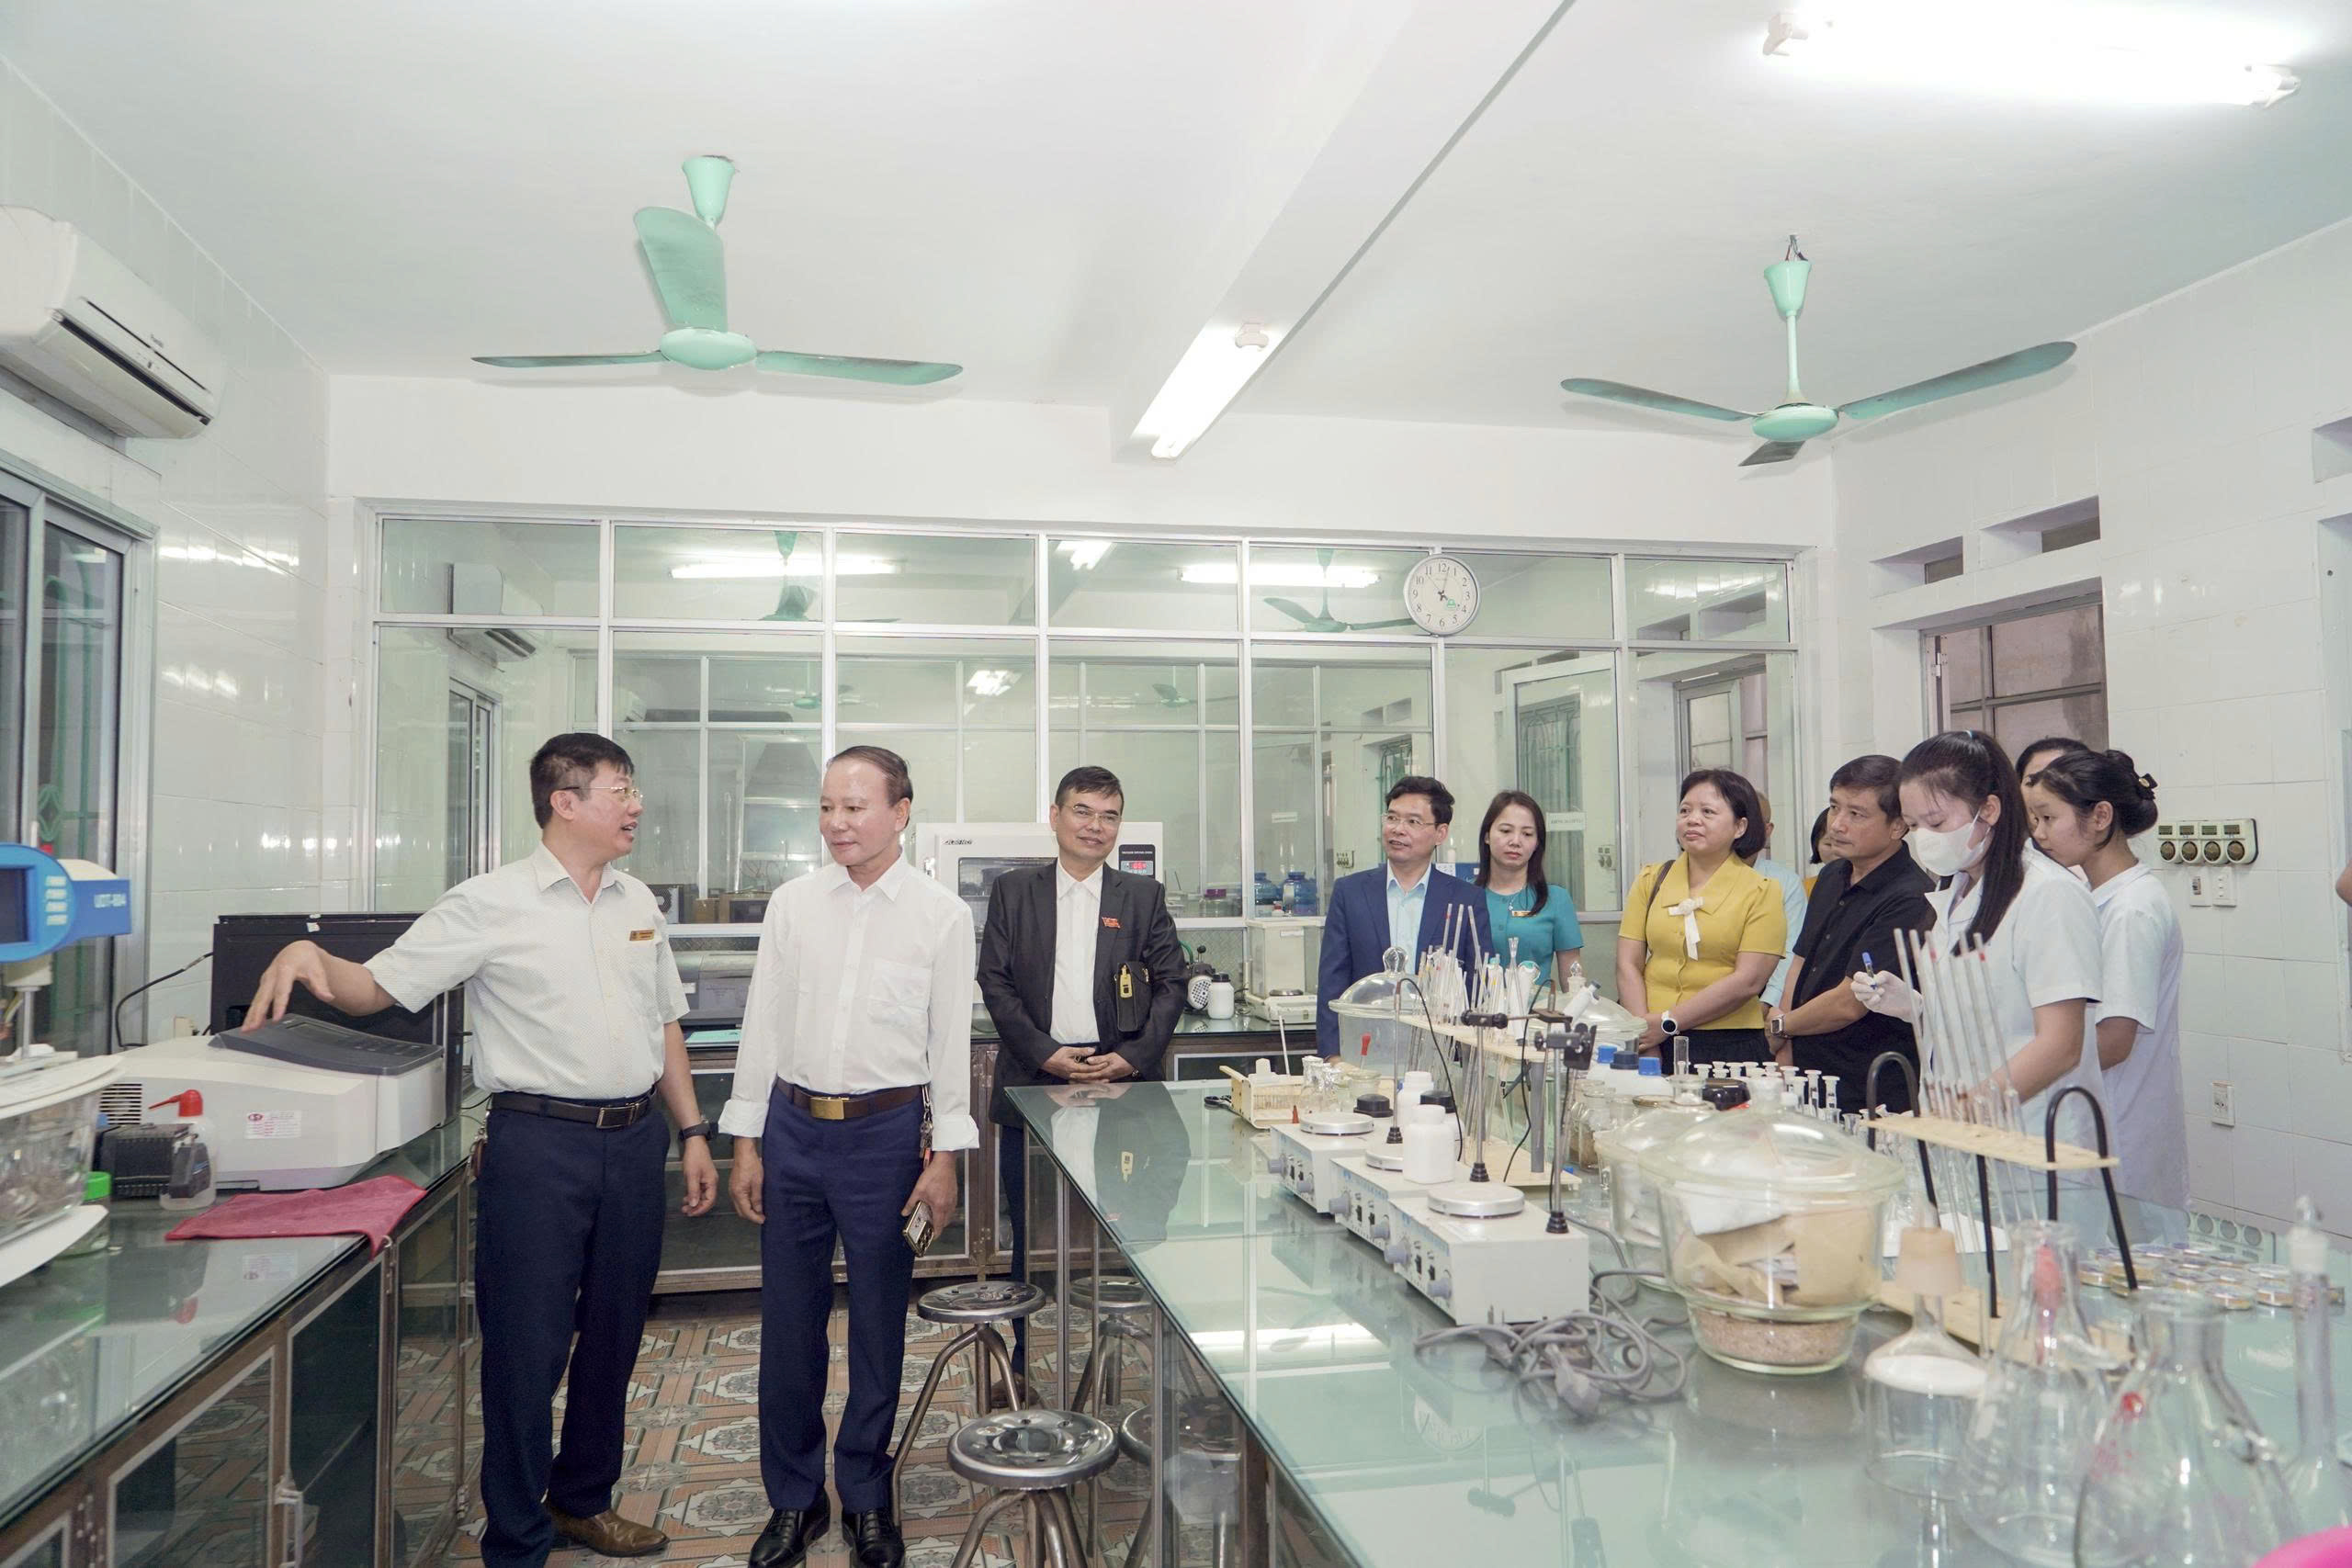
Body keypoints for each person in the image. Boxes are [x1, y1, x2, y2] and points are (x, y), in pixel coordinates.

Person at [242, 733, 717, 1568]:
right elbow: (378, 988)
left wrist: (693, 1132)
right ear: (564, 801)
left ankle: (582, 1501)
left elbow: (664, 1023)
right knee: (528, 1347)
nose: (636, 804)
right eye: (620, 789)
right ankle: (518, 1535)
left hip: (635, 1141)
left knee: (615, 1332)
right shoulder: (488, 902)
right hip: (540, 1146)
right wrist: (309, 954)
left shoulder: (637, 900)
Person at [724, 747, 976, 1568]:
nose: (836, 822)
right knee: (788, 1327)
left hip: (887, 1138)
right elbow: (762, 1025)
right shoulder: (794, 905)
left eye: (855, 807)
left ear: (901, 811)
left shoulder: (941, 916)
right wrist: (747, 1141)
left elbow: (948, 1047)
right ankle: (795, 1499)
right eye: (827, 806)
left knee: (877, 1325)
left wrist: (944, 1159)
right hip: (793, 1131)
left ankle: (867, 1493)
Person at [976, 765, 1182, 1369]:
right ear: (1056, 816)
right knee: (1029, 1232)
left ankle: (1122, 1361)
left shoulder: (1142, 897)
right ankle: (1020, 1361)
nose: (1096, 826)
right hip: (1035, 1080)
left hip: (1120, 1085)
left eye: (1109, 815)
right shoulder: (1015, 891)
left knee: (1128, 1223)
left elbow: (1172, 983)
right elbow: (995, 980)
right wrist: (1043, 1052)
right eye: (1083, 811)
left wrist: (1131, 1056)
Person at [1855, 730, 2104, 1151]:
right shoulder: (1954, 892)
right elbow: (1987, 1016)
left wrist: (1964, 1111)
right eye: (1913, 827)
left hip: (2032, 1136)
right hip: (1964, 1135)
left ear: (1988, 809)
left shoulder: (2049, 894)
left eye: (1936, 823)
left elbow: (2061, 1044)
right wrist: (1916, 1006)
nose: (1924, 838)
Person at [2024, 750, 2186, 1208]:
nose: (2039, 834)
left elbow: (2114, 1041)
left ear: (2100, 817)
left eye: (2048, 818)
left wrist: (2029, 1058)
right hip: (2088, 1120)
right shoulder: (2088, 896)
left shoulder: (2132, 910)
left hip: (2120, 1128)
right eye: (2035, 820)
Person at [1769, 755, 1936, 1112]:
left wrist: (1782, 1027)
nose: (1837, 825)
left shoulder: (1911, 897)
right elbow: (1801, 959)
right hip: (1807, 1066)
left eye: (1856, 814)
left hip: (1867, 1081)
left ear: (1897, 826)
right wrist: (1785, 1036)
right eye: (1834, 807)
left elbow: (1849, 1003)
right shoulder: (1832, 875)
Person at [1618, 769, 1787, 1066]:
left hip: (1729, 1046)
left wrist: (1668, 1022)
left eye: (1708, 812)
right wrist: (1644, 1035)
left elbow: (1748, 980)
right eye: (1685, 810)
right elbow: (1627, 963)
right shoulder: (1650, 879)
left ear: (1740, 826)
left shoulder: (1762, 891)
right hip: (1650, 1036)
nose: (1692, 819)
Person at [1316, 775, 1491, 1057]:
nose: (1398, 829)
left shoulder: (1465, 899)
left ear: (1440, 833)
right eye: (1392, 818)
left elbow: (1477, 984)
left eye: (1413, 821)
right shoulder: (1350, 892)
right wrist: (1333, 1056)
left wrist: (1469, 1055)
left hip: (1438, 1054)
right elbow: (1332, 982)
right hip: (1364, 1052)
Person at [1472, 789, 1584, 992]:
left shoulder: (1556, 899)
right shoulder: (1464, 895)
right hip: (1474, 1009)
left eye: (1527, 834)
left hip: (1536, 1011)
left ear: (1537, 843)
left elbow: (1572, 980)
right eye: (1506, 831)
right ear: (1487, 836)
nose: (1515, 841)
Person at [1750, 790, 1810, 1013]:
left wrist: (1767, 1003)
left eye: (1752, 822)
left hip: (1763, 1001)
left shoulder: (1785, 882)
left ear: (1768, 830)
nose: (1742, 829)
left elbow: (1793, 949)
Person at [1805, 807, 1835, 896]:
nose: (1836, 850)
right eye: (1829, 844)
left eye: (1843, 843)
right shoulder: (1804, 888)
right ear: (1816, 845)